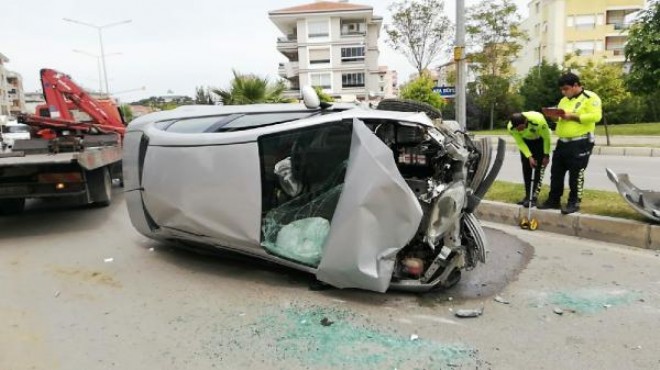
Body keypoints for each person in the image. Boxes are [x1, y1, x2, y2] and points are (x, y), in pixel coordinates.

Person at [538, 72, 602, 214]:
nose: (563, 92)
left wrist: (572, 116)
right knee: (556, 172)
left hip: (580, 141)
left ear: (575, 85)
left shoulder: (590, 97)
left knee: (576, 174)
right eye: (561, 89)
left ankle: (574, 202)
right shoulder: (564, 101)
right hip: (563, 142)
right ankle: (553, 200)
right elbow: (561, 118)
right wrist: (554, 117)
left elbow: (596, 116)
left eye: (566, 89)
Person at [507, 112, 552, 207]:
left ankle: (534, 197)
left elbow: (547, 138)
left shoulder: (538, 121)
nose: (519, 130)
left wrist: (546, 155)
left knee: (538, 169)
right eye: (517, 129)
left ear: (526, 121)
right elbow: (520, 143)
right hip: (526, 142)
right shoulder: (511, 127)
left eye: (521, 128)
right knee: (526, 169)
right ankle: (528, 196)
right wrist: (529, 157)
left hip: (539, 141)